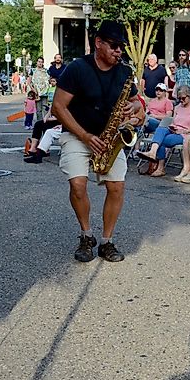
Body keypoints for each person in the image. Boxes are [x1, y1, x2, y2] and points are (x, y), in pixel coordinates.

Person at [52, 20, 145, 263]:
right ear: (98, 43)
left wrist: (132, 107)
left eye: (121, 47)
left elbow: (138, 106)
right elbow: (58, 107)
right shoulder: (77, 68)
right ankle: (86, 235)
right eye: (114, 45)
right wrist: (84, 136)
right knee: (78, 185)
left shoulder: (124, 72)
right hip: (78, 135)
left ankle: (107, 241)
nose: (118, 51)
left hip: (109, 137)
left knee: (117, 187)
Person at [136, 84, 190, 178]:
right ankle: (153, 152)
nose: (181, 100)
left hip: (186, 134)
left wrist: (183, 131)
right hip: (175, 130)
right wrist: (173, 126)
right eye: (179, 98)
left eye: (183, 98)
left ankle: (160, 166)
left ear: (189, 96)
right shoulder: (178, 107)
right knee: (161, 128)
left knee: (162, 140)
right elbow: (174, 121)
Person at [30, 57, 50, 121]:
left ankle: (46, 122)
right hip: (37, 92)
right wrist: (33, 89)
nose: (40, 63)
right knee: (38, 110)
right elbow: (29, 82)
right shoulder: (33, 71)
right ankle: (40, 123)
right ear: (37, 62)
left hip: (45, 92)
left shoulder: (46, 71)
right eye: (39, 61)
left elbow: (50, 80)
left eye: (41, 62)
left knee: (45, 108)